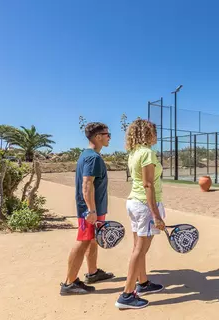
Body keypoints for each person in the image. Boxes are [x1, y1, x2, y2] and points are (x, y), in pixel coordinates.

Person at [115, 119, 166, 309]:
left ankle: (143, 283)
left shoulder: (134, 153)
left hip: (134, 203)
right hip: (145, 206)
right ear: (147, 133)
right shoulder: (147, 153)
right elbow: (148, 184)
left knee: (138, 247)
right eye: (154, 131)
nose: (156, 135)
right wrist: (156, 214)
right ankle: (126, 295)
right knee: (140, 249)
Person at [60, 122, 115, 295]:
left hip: (94, 209)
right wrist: (91, 210)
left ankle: (92, 273)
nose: (109, 137)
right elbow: (87, 184)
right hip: (90, 211)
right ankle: (69, 283)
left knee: (92, 240)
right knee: (83, 241)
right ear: (98, 137)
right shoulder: (93, 158)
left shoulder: (88, 155)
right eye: (107, 134)